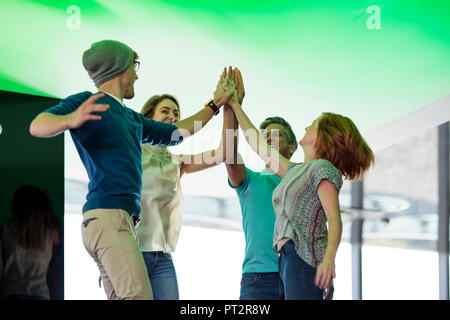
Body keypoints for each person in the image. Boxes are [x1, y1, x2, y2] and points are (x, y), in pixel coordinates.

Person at [28, 40, 234, 300]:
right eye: (134, 67)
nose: (137, 75)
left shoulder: (132, 118)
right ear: (121, 68)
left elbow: (176, 134)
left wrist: (215, 106)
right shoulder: (88, 102)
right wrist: (71, 119)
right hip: (108, 217)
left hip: (118, 220)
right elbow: (37, 125)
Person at [225, 67, 374, 299]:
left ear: (325, 135)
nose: (306, 127)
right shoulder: (296, 171)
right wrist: (235, 105)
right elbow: (256, 143)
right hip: (287, 259)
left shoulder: (322, 168)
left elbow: (334, 218)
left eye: (313, 123)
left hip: (303, 258)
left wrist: (329, 261)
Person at [136, 83, 233, 299]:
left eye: (176, 114)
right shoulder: (133, 151)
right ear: (148, 116)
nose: (172, 116)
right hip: (132, 252)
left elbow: (225, 152)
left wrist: (230, 106)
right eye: (165, 111)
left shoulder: (177, 162)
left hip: (162, 257)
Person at [222, 68, 298, 300]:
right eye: (263, 135)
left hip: (298, 276)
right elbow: (229, 155)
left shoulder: (303, 177)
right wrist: (231, 106)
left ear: (292, 146)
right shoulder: (251, 181)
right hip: (258, 279)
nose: (267, 139)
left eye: (276, 135)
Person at [0, 185, 59, 300]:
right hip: (41, 294)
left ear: (16, 207)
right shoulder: (52, 235)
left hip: (12, 294)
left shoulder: (4, 231)